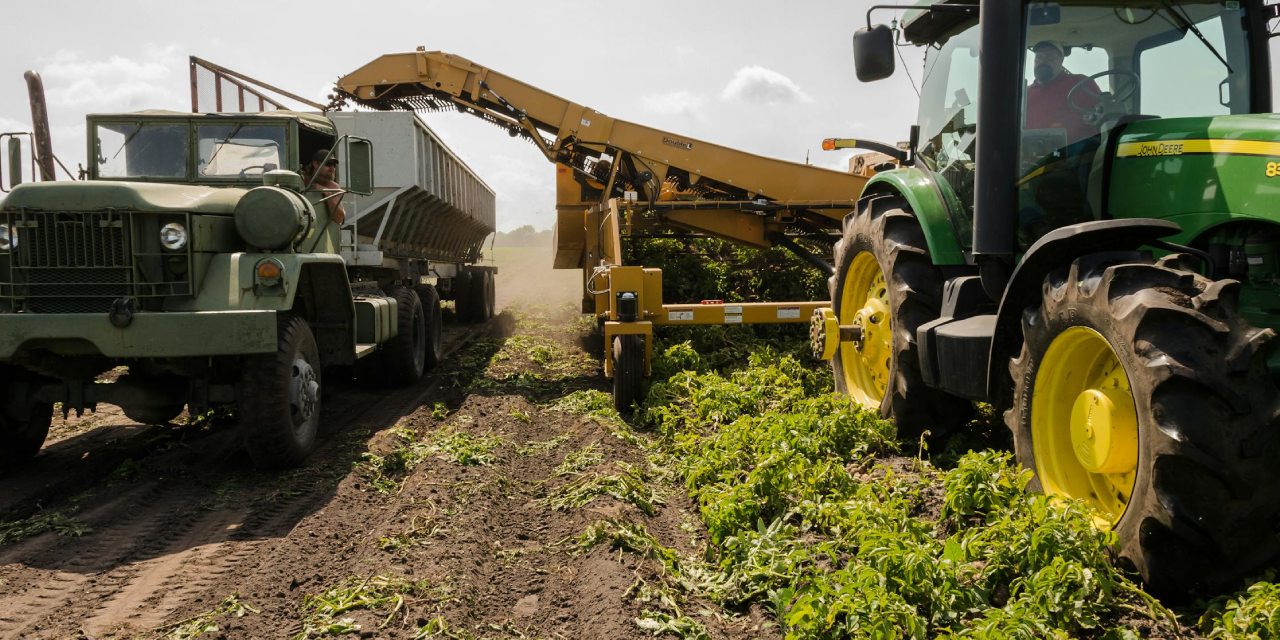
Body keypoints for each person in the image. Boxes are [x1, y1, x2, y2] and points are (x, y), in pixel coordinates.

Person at [1024, 40, 1101, 143]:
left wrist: (1094, 118)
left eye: (1049, 57)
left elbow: (1104, 114)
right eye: (1038, 58)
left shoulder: (1082, 83)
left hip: (1079, 153)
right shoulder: (1025, 94)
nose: (1042, 61)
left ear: (1061, 60)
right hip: (1033, 154)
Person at [301, 149, 346, 225]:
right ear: (316, 164)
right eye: (328, 164)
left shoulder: (333, 187)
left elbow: (339, 219)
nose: (332, 169)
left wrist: (327, 193)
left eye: (334, 165)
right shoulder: (301, 180)